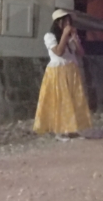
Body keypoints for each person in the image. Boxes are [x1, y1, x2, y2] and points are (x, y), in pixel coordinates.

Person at [34, 10, 91, 139]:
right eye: (65, 21)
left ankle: (72, 129)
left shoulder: (70, 36)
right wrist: (65, 34)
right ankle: (59, 131)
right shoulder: (49, 36)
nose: (67, 24)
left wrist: (75, 38)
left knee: (73, 99)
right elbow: (59, 52)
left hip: (72, 70)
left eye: (69, 21)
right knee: (60, 100)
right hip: (57, 71)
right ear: (58, 22)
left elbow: (81, 53)